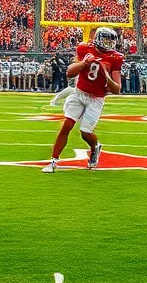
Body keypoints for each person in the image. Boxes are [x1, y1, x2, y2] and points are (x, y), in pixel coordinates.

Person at [41, 27, 123, 174]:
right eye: (105, 40)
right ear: (97, 38)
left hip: (96, 99)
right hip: (79, 93)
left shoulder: (115, 58)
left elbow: (117, 89)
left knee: (85, 132)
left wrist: (106, 74)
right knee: (66, 125)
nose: (108, 44)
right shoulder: (85, 48)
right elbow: (69, 73)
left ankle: (95, 147)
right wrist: (84, 63)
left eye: (110, 41)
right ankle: (53, 160)